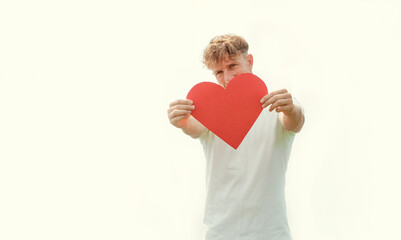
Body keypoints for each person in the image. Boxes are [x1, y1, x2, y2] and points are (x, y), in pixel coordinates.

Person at [167, 34, 305, 240]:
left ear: (249, 61)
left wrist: (291, 108)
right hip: (220, 232)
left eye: (233, 66)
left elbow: (295, 121)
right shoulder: (210, 113)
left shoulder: (278, 106)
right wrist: (181, 122)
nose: (227, 77)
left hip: (270, 232)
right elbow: (193, 127)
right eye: (219, 72)